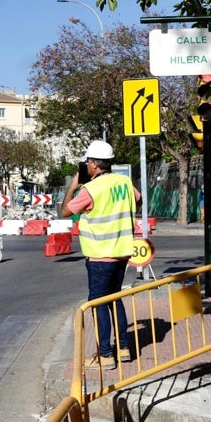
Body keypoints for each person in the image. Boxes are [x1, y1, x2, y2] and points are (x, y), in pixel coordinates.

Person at [60, 139, 140, 369]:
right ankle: (123, 349)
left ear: (94, 164)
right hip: (122, 252)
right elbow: (139, 199)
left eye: (87, 163)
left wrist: (74, 184)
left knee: (98, 303)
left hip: (99, 255)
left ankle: (105, 355)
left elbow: (66, 211)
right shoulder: (124, 182)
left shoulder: (90, 189)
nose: (85, 166)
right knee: (115, 298)